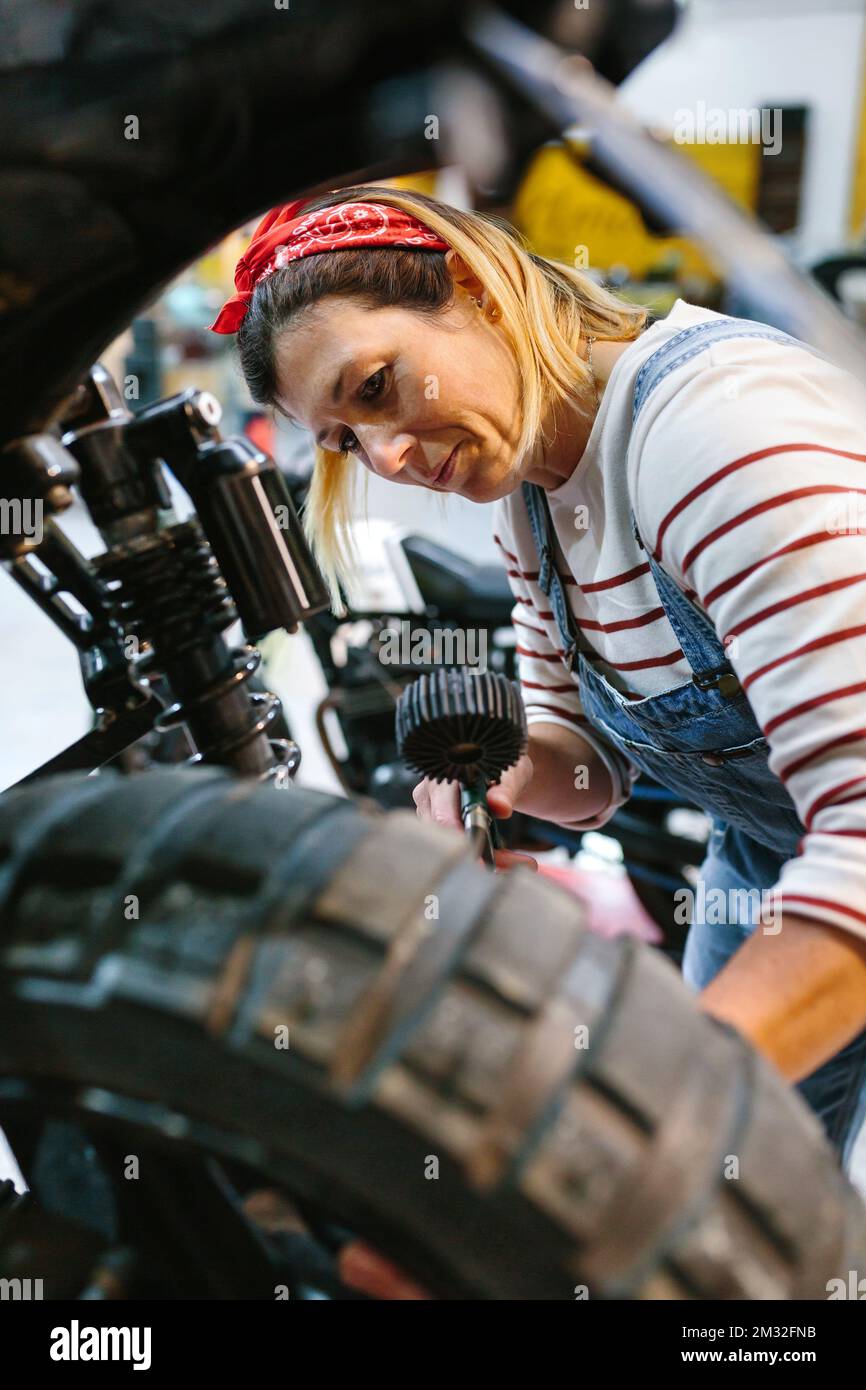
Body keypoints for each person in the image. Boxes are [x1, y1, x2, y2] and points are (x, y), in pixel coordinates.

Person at [210, 184, 866, 1171]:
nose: (383, 454)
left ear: (473, 287)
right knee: (737, 1199)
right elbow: (589, 759)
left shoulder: (721, 444)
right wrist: (504, 774)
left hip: (842, 866)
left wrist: (620, 1130)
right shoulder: (529, 493)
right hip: (771, 860)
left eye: (377, 386)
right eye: (342, 439)